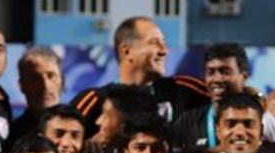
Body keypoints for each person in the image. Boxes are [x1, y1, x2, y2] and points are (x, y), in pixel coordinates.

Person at [70, 16, 209, 131]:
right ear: (127, 51)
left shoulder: (184, 90)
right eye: (154, 43)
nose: (164, 51)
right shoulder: (94, 101)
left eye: (164, 43)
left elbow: (228, 104)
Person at [170, 42, 250, 153]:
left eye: (225, 72)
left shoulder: (260, 117)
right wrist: (218, 151)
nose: (217, 79)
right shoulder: (187, 121)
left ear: (243, 76)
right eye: (211, 72)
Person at [13, 46, 64, 138]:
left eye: (51, 76)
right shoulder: (10, 135)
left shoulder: (81, 129)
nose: (45, 85)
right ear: (22, 85)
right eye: (35, 78)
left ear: (62, 82)